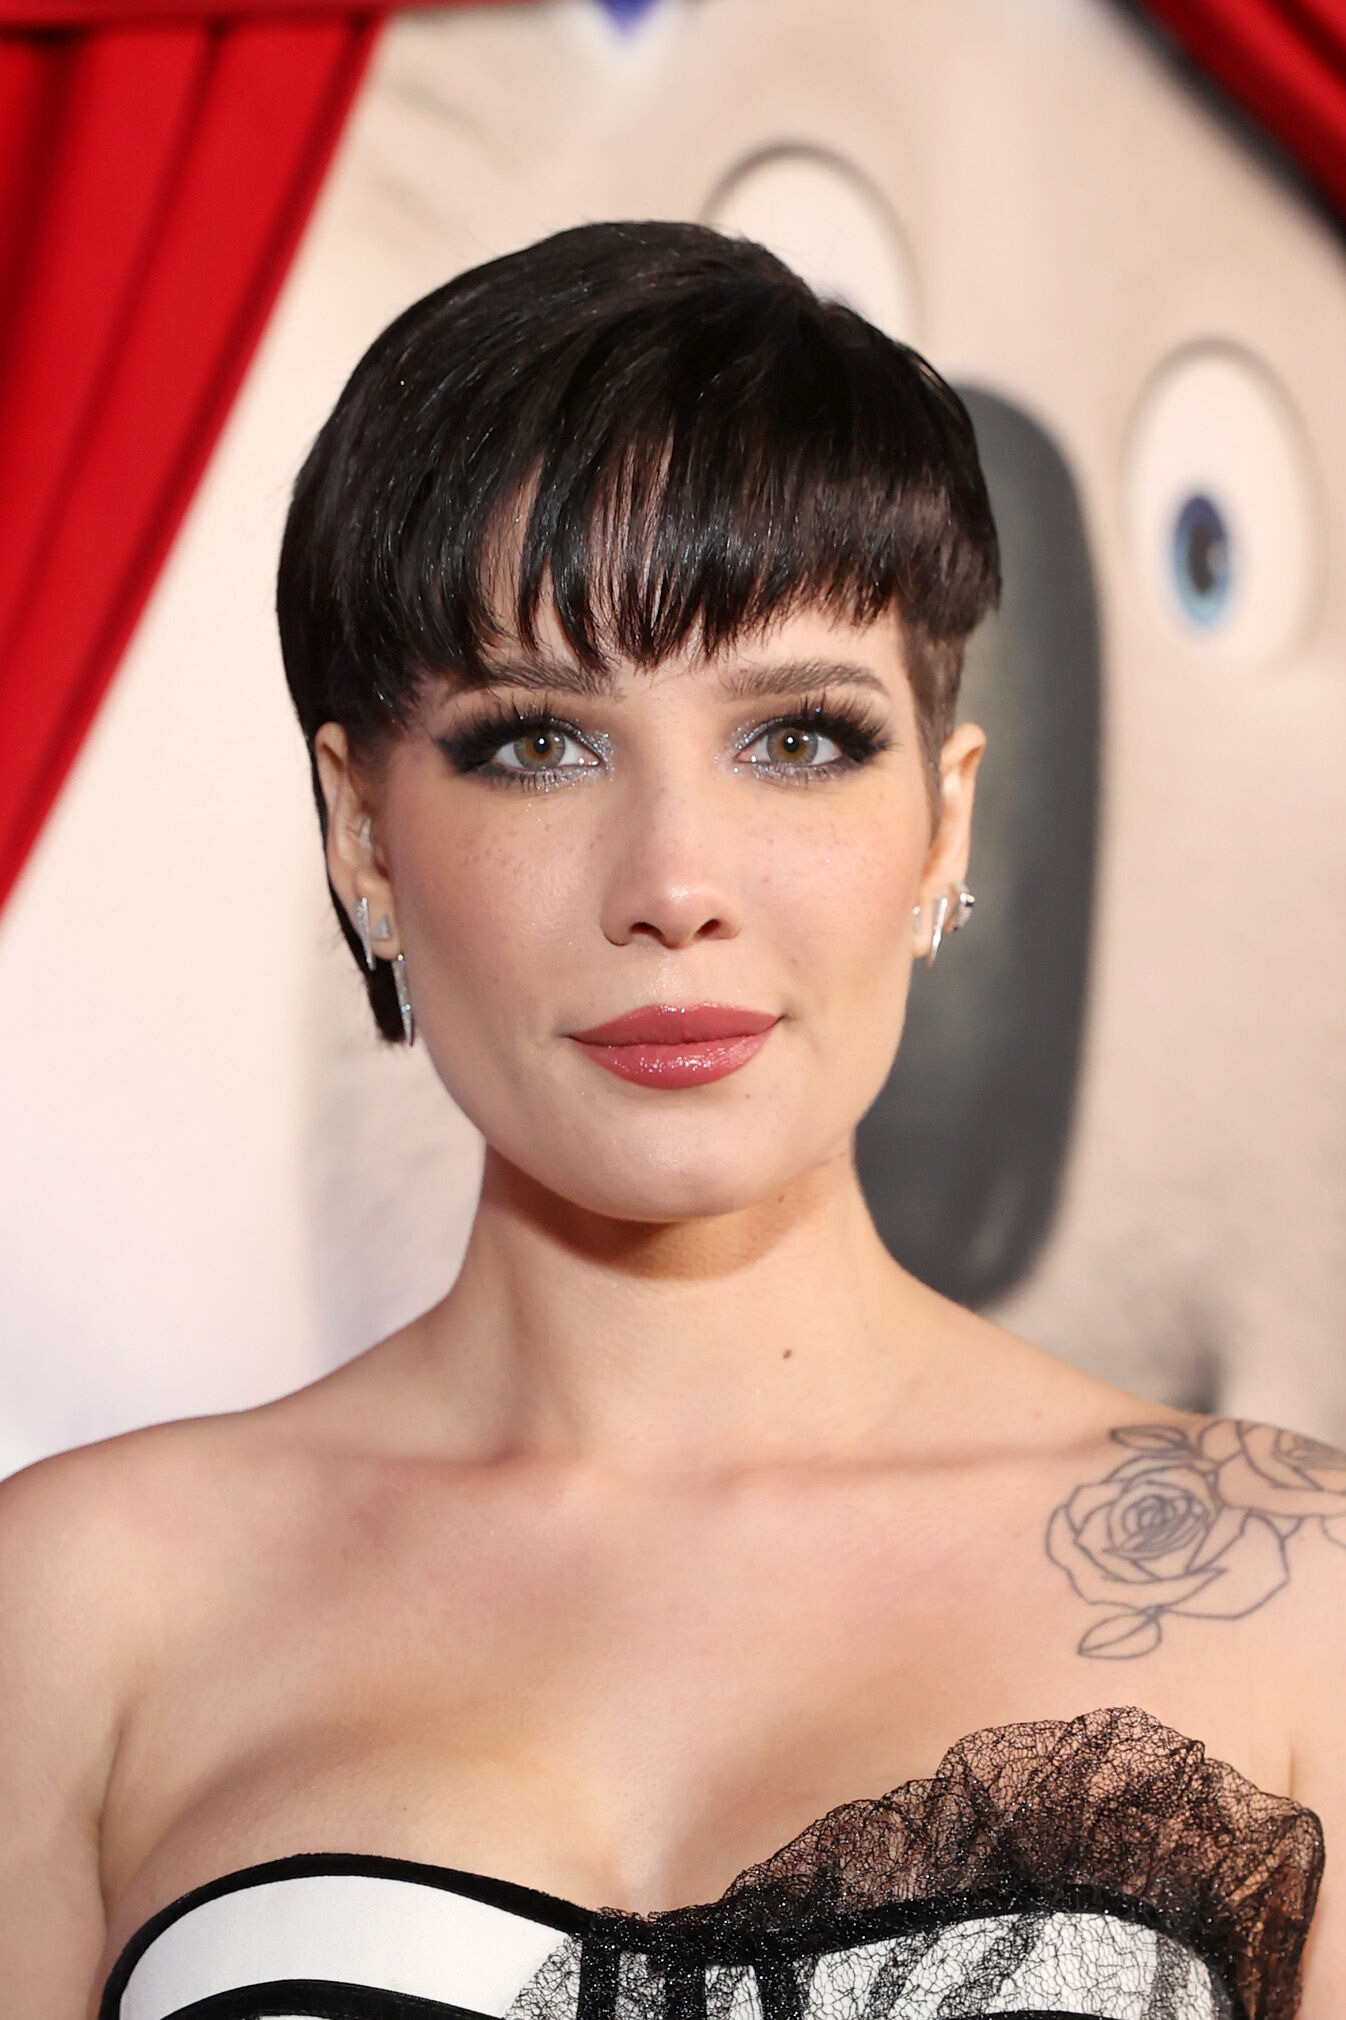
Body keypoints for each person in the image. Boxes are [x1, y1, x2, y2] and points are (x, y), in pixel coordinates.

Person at [1, 221, 1341, 2020]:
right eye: (537, 744)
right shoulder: (75, 1609)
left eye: (797, 738)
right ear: (362, 834)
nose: (674, 884)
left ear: (942, 825)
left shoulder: (1305, 1603)